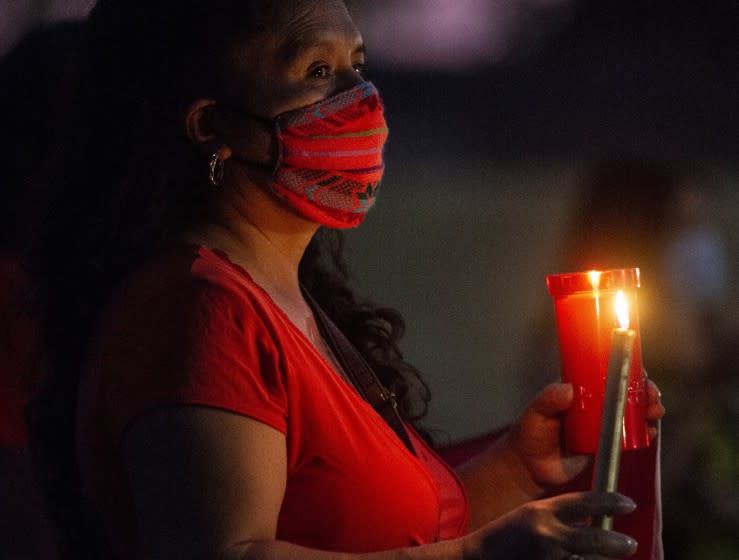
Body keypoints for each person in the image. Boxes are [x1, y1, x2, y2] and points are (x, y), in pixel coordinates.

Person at [26, 1, 665, 559]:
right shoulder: (200, 309)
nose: (360, 98)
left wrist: (516, 470)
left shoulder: (288, 303)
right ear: (211, 127)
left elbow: (368, 533)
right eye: (317, 71)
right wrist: (475, 556)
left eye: (357, 64)